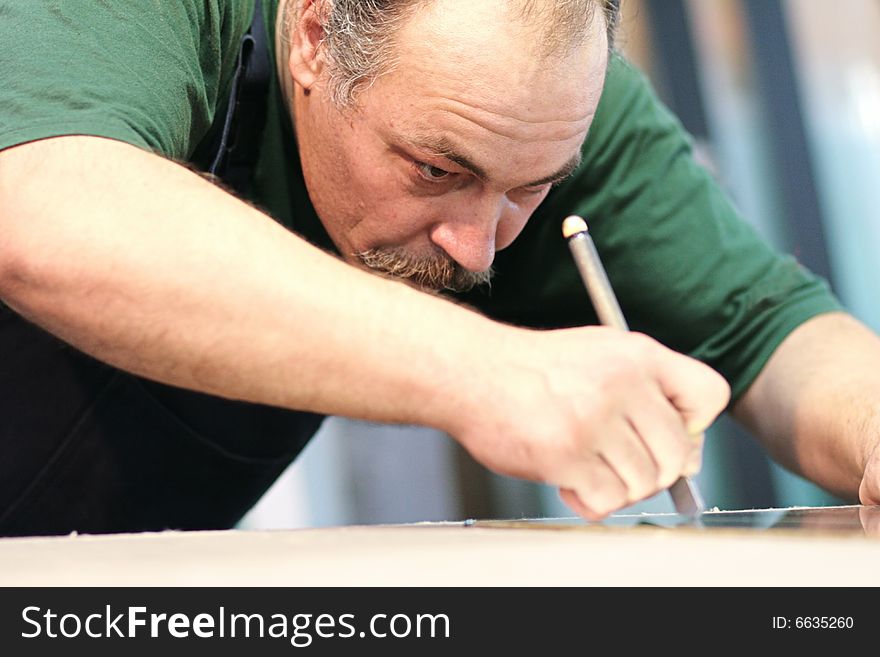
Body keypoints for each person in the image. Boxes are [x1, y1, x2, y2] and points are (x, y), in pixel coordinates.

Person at [0, 0, 877, 537]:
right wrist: (486, 373)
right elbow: (41, 203)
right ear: (314, 31)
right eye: (434, 168)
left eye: (527, 191)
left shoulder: (542, 105)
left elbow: (773, 333)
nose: (477, 244)